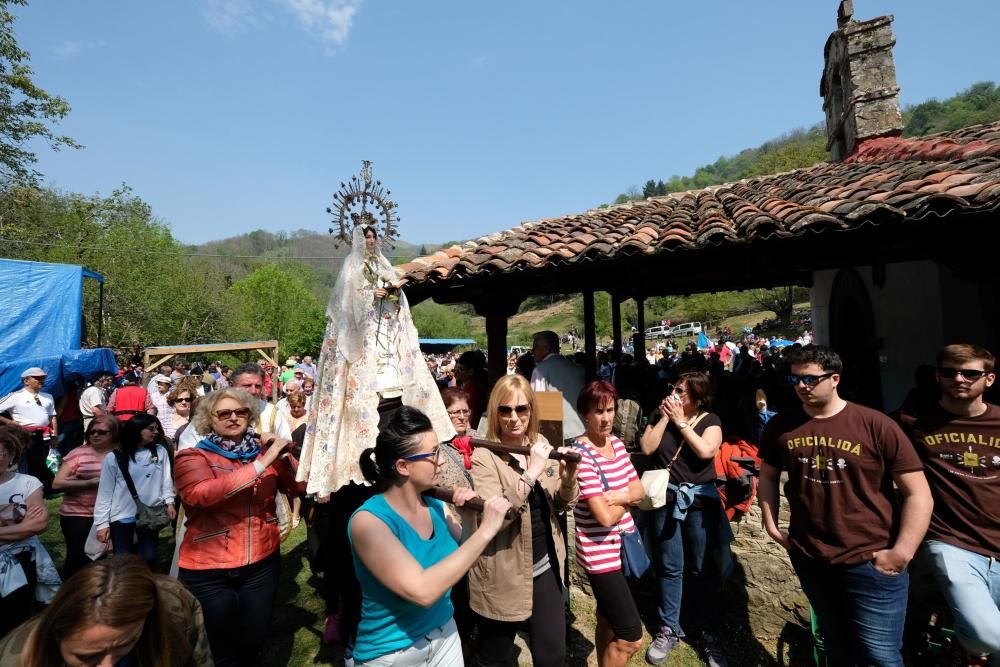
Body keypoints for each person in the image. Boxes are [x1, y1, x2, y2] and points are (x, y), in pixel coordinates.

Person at [758, 345, 933, 667]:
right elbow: (767, 476)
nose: (801, 387)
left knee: (880, 656)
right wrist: (771, 524)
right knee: (836, 646)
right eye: (795, 380)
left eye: (810, 379)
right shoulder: (781, 426)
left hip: (870, 559)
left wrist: (902, 552)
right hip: (811, 556)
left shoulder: (875, 425)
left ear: (834, 378)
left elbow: (918, 493)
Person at [348, 406, 512, 666]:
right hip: (392, 653)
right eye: (434, 453)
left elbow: (463, 557)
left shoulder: (435, 504)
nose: (443, 460)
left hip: (445, 633)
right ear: (403, 466)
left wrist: (468, 519)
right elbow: (422, 591)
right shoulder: (368, 523)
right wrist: (486, 530)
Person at [173, 388, 306, 667]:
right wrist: (261, 464)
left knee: (254, 641)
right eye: (224, 413)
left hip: (261, 562)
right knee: (222, 648)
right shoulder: (193, 456)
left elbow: (299, 487)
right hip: (209, 568)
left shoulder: (263, 451)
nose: (233, 417)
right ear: (210, 419)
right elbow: (201, 494)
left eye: (241, 412)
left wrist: (283, 455)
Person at [470, 374, 579, 667]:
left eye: (522, 409)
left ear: (532, 410)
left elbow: (560, 503)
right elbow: (497, 516)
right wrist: (531, 473)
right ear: (495, 413)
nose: (514, 418)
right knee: (495, 656)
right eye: (505, 410)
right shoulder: (484, 457)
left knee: (553, 654)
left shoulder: (540, 442)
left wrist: (568, 479)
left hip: (544, 564)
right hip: (503, 571)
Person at [906, 344, 1000, 664]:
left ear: (989, 379)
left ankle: (968, 646)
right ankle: (970, 642)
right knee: (990, 634)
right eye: (949, 372)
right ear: (938, 376)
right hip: (951, 541)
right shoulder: (912, 424)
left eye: (970, 373)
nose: (958, 379)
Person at [638, 371, 731, 666]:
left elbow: (705, 451)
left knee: (701, 568)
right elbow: (647, 448)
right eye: (673, 388)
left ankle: (707, 633)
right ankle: (668, 628)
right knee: (669, 566)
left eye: (681, 391)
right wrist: (665, 417)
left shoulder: (710, 420)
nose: (674, 394)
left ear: (697, 396)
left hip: (699, 503)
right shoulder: (659, 414)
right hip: (665, 500)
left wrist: (680, 421)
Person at [0, 554, 213, 666]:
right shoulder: (14, 659)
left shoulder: (175, 609)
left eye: (126, 643)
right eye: (88, 657)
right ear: (55, 636)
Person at [572, 380, 645, 667]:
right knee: (630, 636)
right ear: (584, 414)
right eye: (599, 412)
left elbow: (639, 488)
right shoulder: (582, 455)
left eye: (611, 410)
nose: (606, 418)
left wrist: (621, 496)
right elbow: (602, 517)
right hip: (600, 557)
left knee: (606, 619)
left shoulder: (615, 443)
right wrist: (629, 499)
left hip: (620, 547)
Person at [93, 414, 176, 570]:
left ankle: (145, 586)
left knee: (149, 556)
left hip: (150, 513)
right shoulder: (115, 457)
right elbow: (105, 492)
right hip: (122, 515)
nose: (156, 431)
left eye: (157, 428)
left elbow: (166, 479)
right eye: (151, 428)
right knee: (123, 559)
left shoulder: (160, 452)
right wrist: (102, 523)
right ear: (137, 430)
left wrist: (169, 501)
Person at [0, 424, 60, 638]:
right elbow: (27, 526)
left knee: (17, 618)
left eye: (2, 453)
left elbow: (38, 525)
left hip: (22, 558)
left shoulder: (27, 483)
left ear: (11, 456)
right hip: (16, 548)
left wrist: (26, 528)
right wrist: (21, 528)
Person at [52, 415, 119, 578]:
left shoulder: (121, 453)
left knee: (101, 557)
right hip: (77, 514)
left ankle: (95, 591)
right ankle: (70, 593)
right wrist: (89, 483)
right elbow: (57, 484)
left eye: (102, 432)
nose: (95, 435)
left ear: (115, 434)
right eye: (92, 431)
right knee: (78, 557)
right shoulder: (78, 453)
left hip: (111, 514)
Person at [0, 367, 59, 495]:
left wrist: (55, 435)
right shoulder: (16, 396)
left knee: (42, 461)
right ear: (26, 380)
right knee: (24, 462)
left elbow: (52, 417)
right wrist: (11, 423)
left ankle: (46, 488)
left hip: (44, 434)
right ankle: (23, 490)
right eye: (37, 378)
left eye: (43, 378)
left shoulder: (48, 397)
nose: (41, 380)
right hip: (24, 434)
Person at [530, 330, 585, 438]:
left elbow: (537, 407)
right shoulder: (577, 368)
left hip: (560, 437)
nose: (532, 351)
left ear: (546, 349)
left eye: (535, 347)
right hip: (582, 432)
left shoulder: (540, 370)